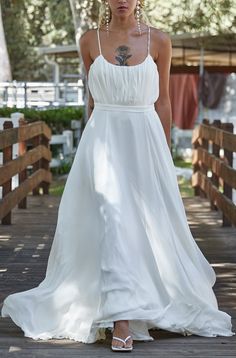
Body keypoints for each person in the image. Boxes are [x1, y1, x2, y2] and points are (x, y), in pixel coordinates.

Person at [1, 0, 235, 353]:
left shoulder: (159, 41)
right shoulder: (88, 40)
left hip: (145, 142)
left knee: (143, 225)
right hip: (102, 142)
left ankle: (143, 301)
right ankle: (120, 318)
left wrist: (164, 151)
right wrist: (92, 145)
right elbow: (93, 103)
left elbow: (164, 102)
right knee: (112, 219)